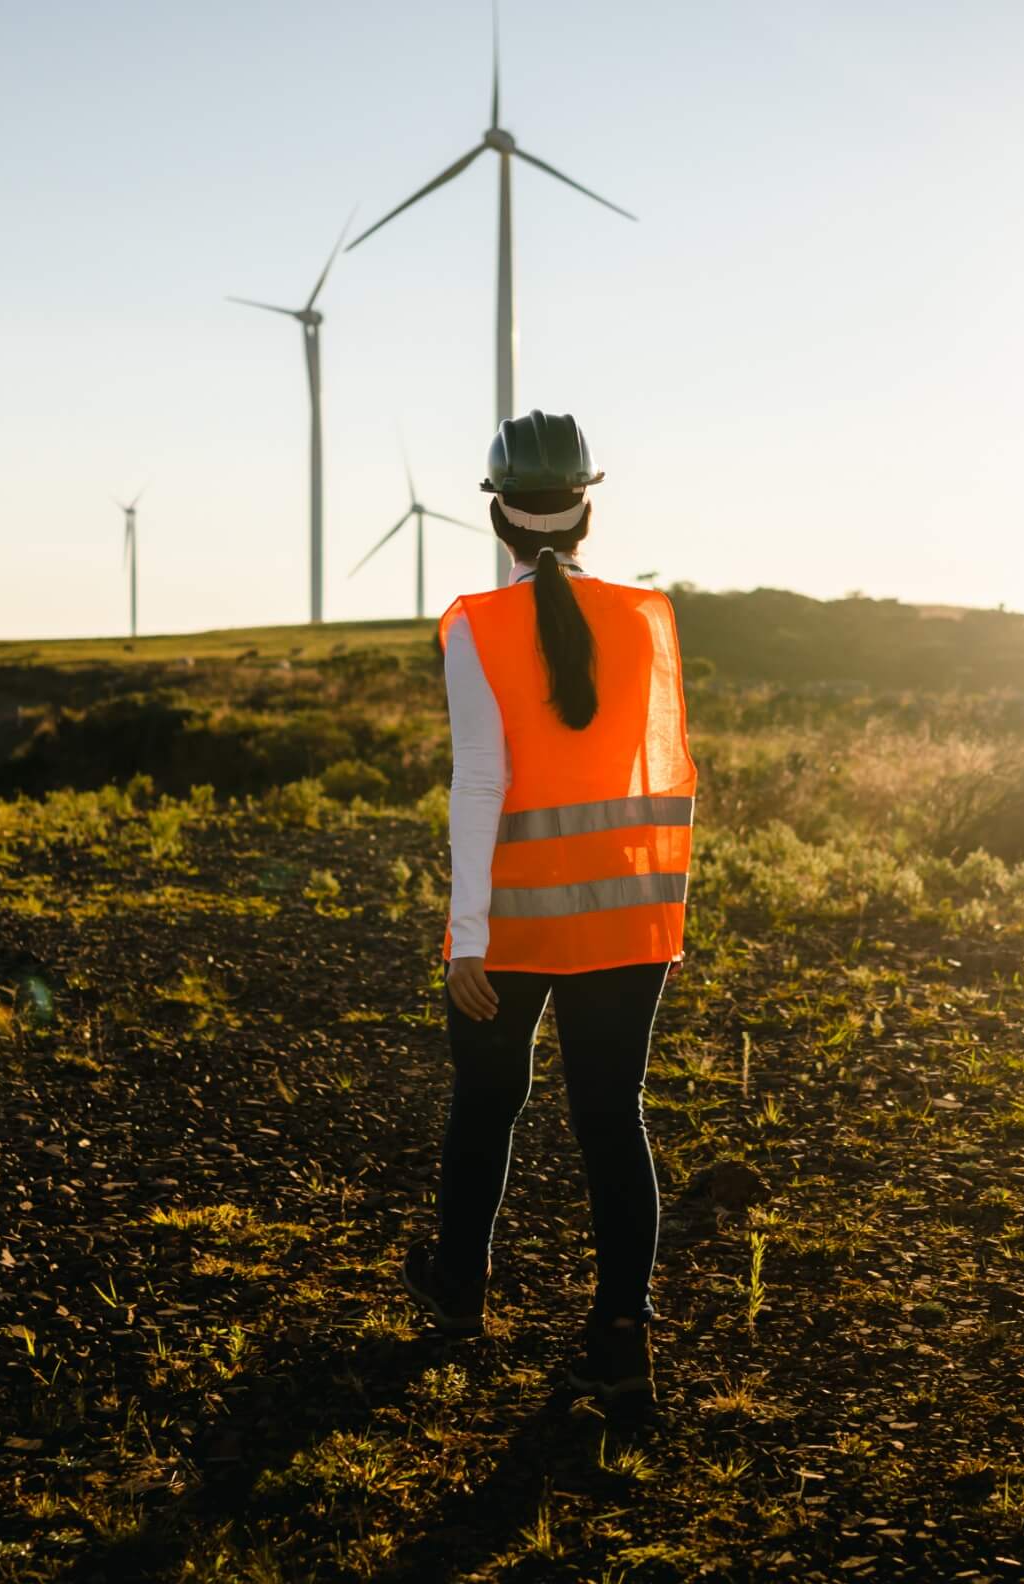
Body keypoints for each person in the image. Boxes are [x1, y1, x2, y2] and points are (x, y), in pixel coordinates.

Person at [400, 410, 697, 1419]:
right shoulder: (650, 619)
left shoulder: (473, 627)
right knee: (614, 1120)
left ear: (500, 518)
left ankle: (458, 1299)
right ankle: (621, 1345)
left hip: (515, 923)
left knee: (487, 1106)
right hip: (624, 914)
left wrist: (469, 937)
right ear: (585, 513)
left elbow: (479, 782)